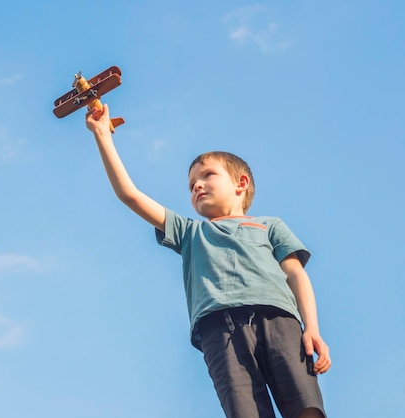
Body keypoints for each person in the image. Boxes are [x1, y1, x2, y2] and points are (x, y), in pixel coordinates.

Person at [85, 104, 331, 418]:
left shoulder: (269, 225)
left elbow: (296, 275)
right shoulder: (190, 232)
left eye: (207, 175)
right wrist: (103, 135)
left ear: (240, 184)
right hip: (219, 331)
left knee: (305, 409)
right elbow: (129, 194)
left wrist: (312, 328)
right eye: (191, 185)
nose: (197, 185)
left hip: (279, 322)